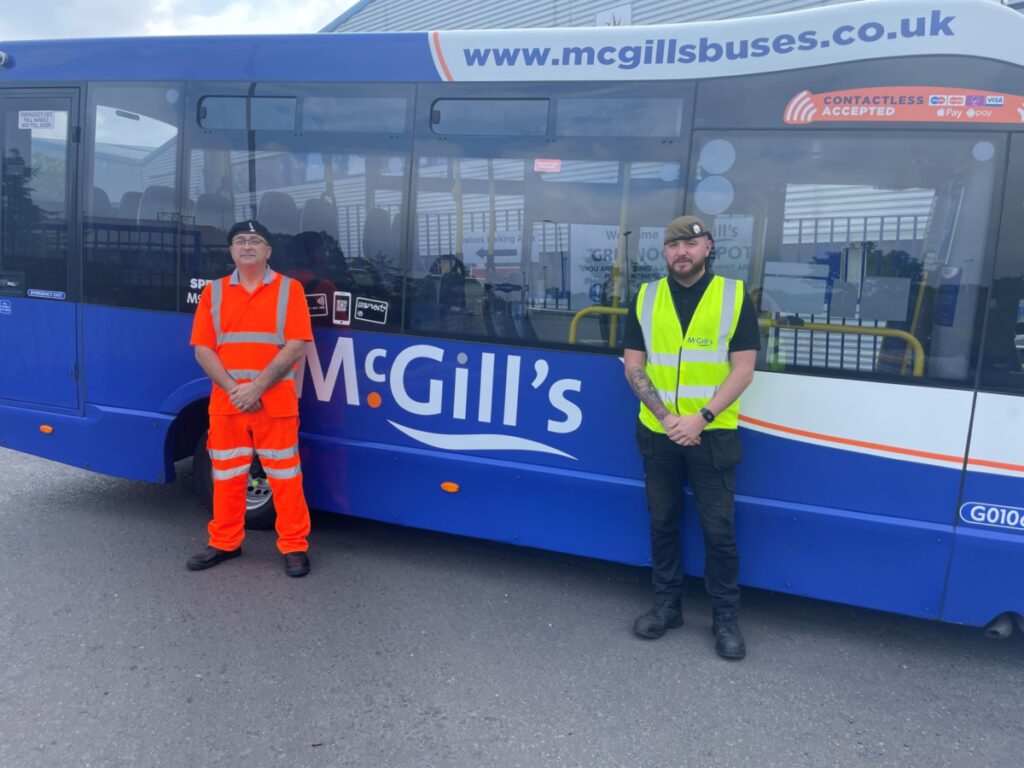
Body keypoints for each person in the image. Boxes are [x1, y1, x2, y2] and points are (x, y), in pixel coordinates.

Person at [622, 215, 761, 659]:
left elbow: (744, 369)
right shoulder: (645, 297)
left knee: (718, 531)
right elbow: (633, 366)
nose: (681, 251)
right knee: (662, 522)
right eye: (673, 245)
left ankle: (725, 618)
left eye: (691, 243)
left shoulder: (733, 297)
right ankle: (667, 605)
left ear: (708, 248)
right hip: (659, 433)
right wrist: (665, 417)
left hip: (712, 433)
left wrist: (699, 418)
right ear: (664, 252)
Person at [187, 219, 315, 577]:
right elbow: (203, 350)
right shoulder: (213, 292)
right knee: (226, 477)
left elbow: (296, 345)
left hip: (274, 402)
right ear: (231, 250)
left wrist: (257, 387)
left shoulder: (289, 290)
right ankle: (225, 543)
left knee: (286, 479)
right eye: (240, 241)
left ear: (268, 251)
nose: (247, 245)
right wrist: (235, 390)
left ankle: (294, 546)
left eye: (255, 240)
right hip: (229, 403)